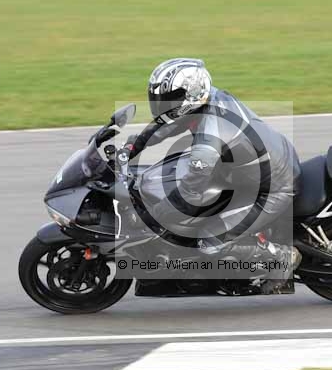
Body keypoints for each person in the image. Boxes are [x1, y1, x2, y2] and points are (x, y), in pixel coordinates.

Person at [126, 58, 301, 293]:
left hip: (274, 187)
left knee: (209, 241)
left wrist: (153, 216)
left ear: (190, 96)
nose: (162, 105)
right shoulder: (206, 99)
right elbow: (170, 123)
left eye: (170, 99)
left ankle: (281, 257)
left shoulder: (209, 140)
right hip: (259, 164)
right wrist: (135, 145)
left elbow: (189, 195)